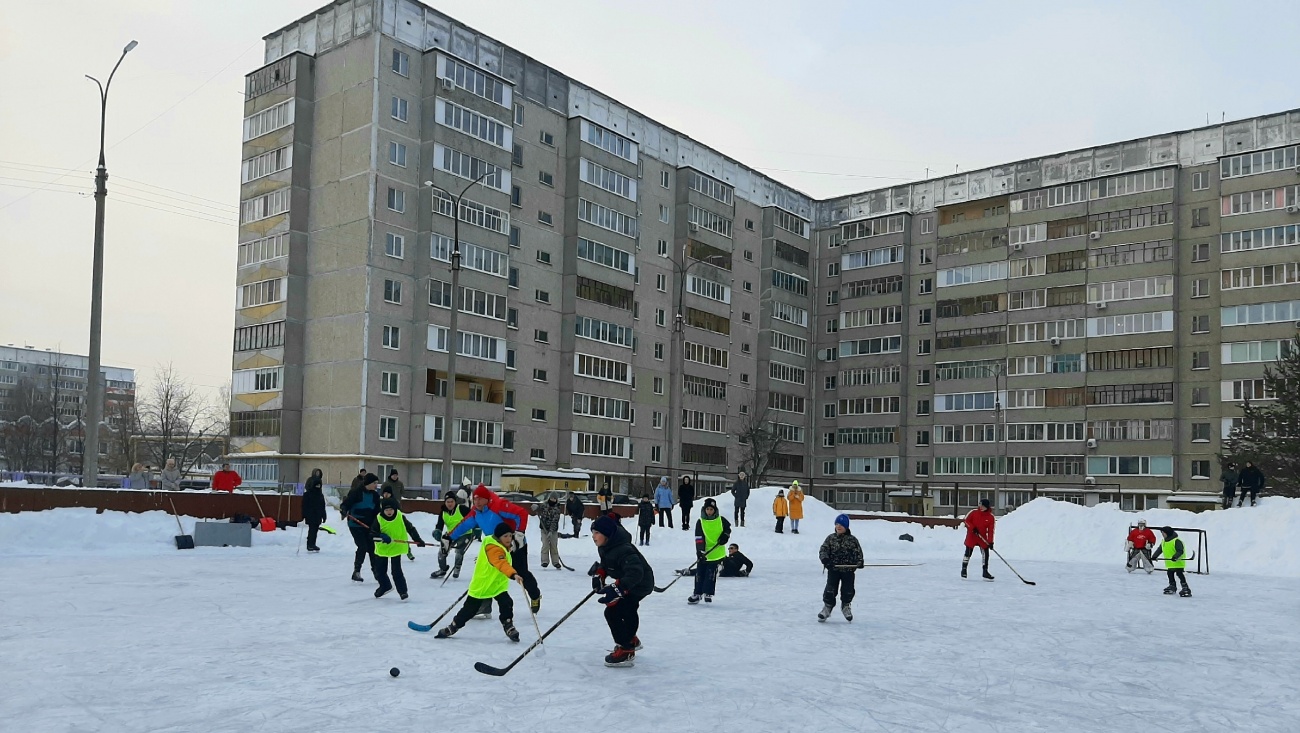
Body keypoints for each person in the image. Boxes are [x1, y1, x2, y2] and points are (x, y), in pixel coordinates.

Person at [447, 485, 541, 613]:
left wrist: (519, 534)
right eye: (475, 499)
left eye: (479, 499)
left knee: (521, 573)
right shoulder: (476, 511)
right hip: (494, 547)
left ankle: (535, 595)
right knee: (487, 575)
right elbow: (464, 524)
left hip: (514, 545)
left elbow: (521, 514)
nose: (477, 502)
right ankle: (485, 607)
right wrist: (449, 537)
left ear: (486, 499)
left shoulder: (498, 505)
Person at [435, 521, 525, 641]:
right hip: (482, 585)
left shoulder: (496, 543)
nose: (509, 539)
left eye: (510, 535)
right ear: (499, 537)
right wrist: (513, 574)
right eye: (505, 536)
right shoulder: (494, 548)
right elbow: (501, 563)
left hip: (497, 584)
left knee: (507, 603)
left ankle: (508, 625)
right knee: (470, 610)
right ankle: (453, 626)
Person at [589, 513, 655, 667]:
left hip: (639, 584)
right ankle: (630, 639)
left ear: (607, 534)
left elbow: (636, 572)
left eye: (597, 533)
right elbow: (606, 563)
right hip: (629, 582)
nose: (593, 536)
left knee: (616, 611)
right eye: (593, 532)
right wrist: (600, 573)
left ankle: (626, 648)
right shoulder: (606, 546)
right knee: (622, 610)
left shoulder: (623, 549)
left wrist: (618, 588)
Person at [371, 497, 425, 599]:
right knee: (379, 571)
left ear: (395, 509)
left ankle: (403, 591)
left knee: (396, 571)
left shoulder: (400, 517)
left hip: (396, 548)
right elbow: (372, 534)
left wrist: (417, 539)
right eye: (386, 510)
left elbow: (410, 528)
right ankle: (385, 586)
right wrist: (381, 536)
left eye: (391, 509)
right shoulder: (378, 518)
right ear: (383, 510)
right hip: (383, 549)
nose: (389, 512)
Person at [818, 514, 864, 622]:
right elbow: (823, 550)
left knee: (848, 590)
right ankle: (827, 607)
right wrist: (825, 560)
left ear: (846, 527)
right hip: (833, 569)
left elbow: (858, 553)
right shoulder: (830, 538)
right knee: (830, 589)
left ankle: (846, 606)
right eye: (837, 524)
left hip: (848, 571)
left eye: (841, 525)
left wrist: (859, 562)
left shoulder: (852, 540)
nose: (839, 527)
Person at [688, 497, 731, 604]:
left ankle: (708, 593)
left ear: (715, 510)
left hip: (716, 552)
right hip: (704, 553)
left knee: (710, 574)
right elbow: (699, 538)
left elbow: (728, 529)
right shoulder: (700, 522)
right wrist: (700, 551)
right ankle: (697, 594)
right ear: (704, 510)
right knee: (699, 573)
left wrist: (725, 536)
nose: (709, 511)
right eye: (707, 509)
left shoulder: (721, 520)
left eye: (711, 509)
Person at [341, 472, 381, 582]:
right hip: (355, 524)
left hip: (368, 525)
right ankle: (356, 571)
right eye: (374, 483)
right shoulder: (356, 493)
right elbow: (346, 504)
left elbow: (378, 512)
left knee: (372, 548)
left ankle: (376, 572)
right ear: (368, 483)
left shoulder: (375, 496)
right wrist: (344, 510)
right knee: (362, 546)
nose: (376, 485)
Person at [430, 492, 471, 579]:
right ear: (445, 502)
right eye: (448, 502)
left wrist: (477, 528)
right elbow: (439, 525)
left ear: (455, 502)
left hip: (465, 533)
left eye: (451, 501)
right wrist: (437, 532)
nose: (450, 504)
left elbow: (473, 517)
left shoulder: (462, 509)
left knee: (459, 550)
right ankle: (442, 569)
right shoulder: (443, 513)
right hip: (451, 534)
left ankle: (457, 567)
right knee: (442, 552)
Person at [1151, 526, 1192, 597]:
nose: (1162, 534)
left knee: (1179, 574)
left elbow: (1180, 551)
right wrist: (1154, 556)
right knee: (1170, 573)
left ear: (1168, 533)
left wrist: (1175, 556)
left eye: (1163, 533)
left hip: (1178, 562)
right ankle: (1172, 586)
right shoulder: (1164, 541)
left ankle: (1185, 588)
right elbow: (1160, 549)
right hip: (1170, 563)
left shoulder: (1176, 541)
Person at [962, 498, 996, 580]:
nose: (980, 507)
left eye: (983, 506)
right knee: (968, 553)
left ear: (987, 507)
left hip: (982, 537)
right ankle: (964, 569)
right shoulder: (973, 513)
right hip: (972, 536)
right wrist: (972, 528)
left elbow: (991, 531)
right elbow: (966, 521)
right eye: (980, 505)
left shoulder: (990, 517)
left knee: (986, 553)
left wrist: (990, 542)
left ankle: (985, 571)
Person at [678, 543, 753, 577]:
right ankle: (690, 572)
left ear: (736, 549)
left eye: (732, 548)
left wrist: (747, 572)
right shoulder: (731, 556)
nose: (730, 549)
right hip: (725, 570)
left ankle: (689, 571)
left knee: (720, 558)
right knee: (707, 569)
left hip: (728, 569)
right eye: (729, 548)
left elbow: (750, 563)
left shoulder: (739, 555)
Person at [535, 494, 564, 568]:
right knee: (545, 545)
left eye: (554, 498)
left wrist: (551, 531)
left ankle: (555, 562)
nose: (553, 499)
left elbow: (555, 520)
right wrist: (536, 507)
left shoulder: (557, 508)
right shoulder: (544, 505)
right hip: (544, 529)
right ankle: (544, 561)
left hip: (553, 530)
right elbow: (539, 509)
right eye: (551, 498)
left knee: (554, 546)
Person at [302, 468, 327, 552]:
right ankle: (310, 544)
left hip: (318, 514)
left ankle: (313, 544)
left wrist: (324, 515)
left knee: (315, 529)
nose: (318, 487)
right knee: (312, 529)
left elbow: (322, 505)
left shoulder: (320, 495)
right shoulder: (308, 494)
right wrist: (304, 514)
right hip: (311, 514)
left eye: (319, 486)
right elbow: (304, 505)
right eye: (316, 486)